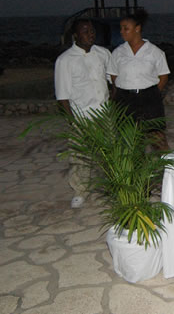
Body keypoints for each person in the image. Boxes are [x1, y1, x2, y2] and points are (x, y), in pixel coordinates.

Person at [54, 19, 112, 208]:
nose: (90, 34)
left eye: (92, 30)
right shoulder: (65, 60)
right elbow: (62, 95)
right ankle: (80, 191)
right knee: (80, 157)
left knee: (107, 154)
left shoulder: (103, 54)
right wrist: (72, 121)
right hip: (82, 116)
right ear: (76, 35)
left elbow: (113, 80)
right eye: (85, 31)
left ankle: (109, 186)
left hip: (104, 114)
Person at [107, 10, 170, 150]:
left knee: (157, 137)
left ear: (137, 29)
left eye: (126, 28)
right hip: (125, 99)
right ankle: (137, 169)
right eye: (121, 28)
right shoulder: (118, 52)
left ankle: (166, 169)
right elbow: (113, 76)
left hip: (149, 98)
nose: (122, 32)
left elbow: (163, 76)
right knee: (131, 139)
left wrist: (150, 92)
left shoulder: (154, 52)